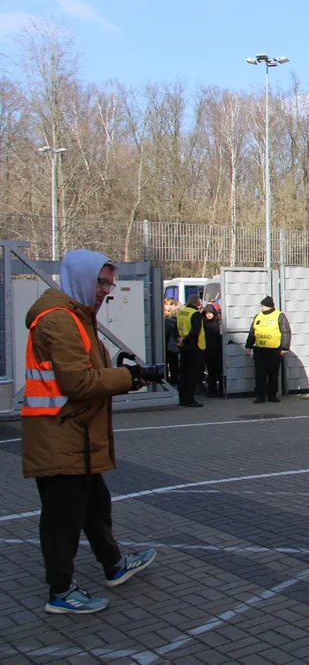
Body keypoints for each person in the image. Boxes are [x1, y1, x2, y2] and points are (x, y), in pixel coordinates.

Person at [22, 250, 157, 615]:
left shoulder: (78, 317)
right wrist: (130, 378)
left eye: (109, 283)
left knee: (95, 507)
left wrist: (118, 371)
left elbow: (83, 372)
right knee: (62, 520)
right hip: (61, 435)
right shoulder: (61, 320)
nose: (105, 290)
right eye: (100, 281)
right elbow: (78, 381)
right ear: (80, 278)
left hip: (73, 434)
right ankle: (60, 591)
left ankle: (114, 564)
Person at [245, 296, 291, 404]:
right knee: (259, 374)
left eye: (263, 306)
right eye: (261, 306)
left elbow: (285, 332)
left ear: (269, 306)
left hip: (274, 349)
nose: (261, 308)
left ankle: (272, 395)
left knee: (273, 374)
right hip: (260, 349)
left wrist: (284, 347)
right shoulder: (258, 316)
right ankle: (260, 396)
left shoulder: (279, 316)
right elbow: (252, 332)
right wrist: (248, 346)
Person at [176, 294, 205, 408]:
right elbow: (195, 331)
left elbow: (176, 327)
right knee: (193, 374)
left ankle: (182, 399)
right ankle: (190, 399)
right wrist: (186, 340)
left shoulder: (182, 312)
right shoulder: (195, 314)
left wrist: (180, 339)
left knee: (183, 373)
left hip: (183, 346)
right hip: (194, 346)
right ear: (197, 302)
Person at [202, 300, 223, 397]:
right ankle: (212, 388)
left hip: (217, 351)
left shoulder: (218, 324)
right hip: (208, 351)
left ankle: (220, 389)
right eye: (206, 313)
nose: (208, 315)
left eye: (210, 313)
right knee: (211, 371)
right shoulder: (203, 324)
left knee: (218, 370)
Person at [163, 298, 180, 386]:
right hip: (167, 343)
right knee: (168, 362)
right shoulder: (163, 317)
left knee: (173, 363)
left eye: (170, 304)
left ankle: (174, 380)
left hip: (171, 343)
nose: (168, 306)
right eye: (167, 304)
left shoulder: (174, 318)